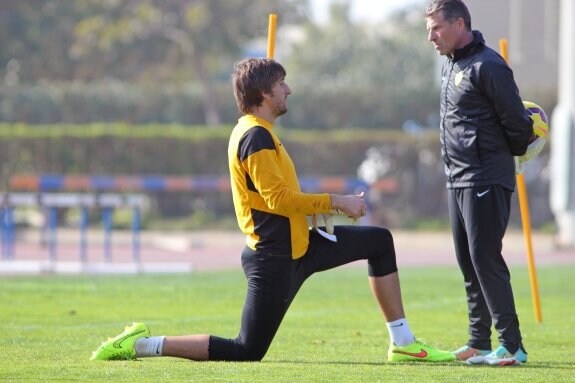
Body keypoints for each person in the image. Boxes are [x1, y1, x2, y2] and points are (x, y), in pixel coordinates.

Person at [90, 57, 455, 363]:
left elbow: (278, 198)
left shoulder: (260, 131)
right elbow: (279, 200)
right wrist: (336, 202)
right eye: (282, 83)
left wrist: (319, 215)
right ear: (264, 93)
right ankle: (141, 343)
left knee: (378, 241)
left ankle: (403, 342)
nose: (288, 90)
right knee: (246, 351)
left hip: (302, 246)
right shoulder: (254, 136)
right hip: (274, 257)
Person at [424, 0, 533, 366]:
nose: (431, 37)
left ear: (459, 24)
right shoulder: (453, 65)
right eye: (428, 30)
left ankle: (512, 347)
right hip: (458, 179)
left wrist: (518, 150)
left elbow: (518, 122)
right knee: (468, 260)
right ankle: (479, 341)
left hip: (485, 176)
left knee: (485, 257)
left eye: (436, 28)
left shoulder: (489, 64)